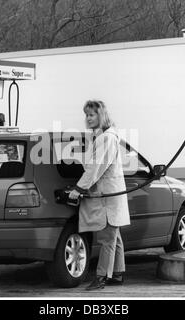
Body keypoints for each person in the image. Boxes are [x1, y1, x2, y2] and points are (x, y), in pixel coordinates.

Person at [69, 100, 130, 291]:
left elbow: (95, 168)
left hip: (107, 196)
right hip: (109, 195)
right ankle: (118, 274)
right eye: (86, 114)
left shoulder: (106, 138)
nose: (88, 118)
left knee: (107, 239)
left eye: (92, 114)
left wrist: (78, 189)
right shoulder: (106, 136)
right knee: (114, 236)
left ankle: (101, 277)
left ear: (101, 115)